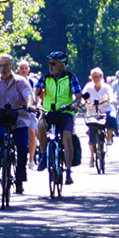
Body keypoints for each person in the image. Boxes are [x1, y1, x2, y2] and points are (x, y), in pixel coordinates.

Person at [0, 54, 34, 194]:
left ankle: (20, 178)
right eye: (0, 65)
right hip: (0, 117)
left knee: (22, 146)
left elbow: (28, 94)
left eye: (5, 65)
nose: (3, 68)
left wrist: (29, 105)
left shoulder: (21, 81)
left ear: (12, 66)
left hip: (19, 118)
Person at [34, 51, 82, 185]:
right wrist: (37, 103)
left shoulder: (71, 77)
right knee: (41, 127)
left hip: (65, 112)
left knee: (67, 137)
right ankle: (43, 156)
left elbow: (78, 94)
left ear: (62, 65)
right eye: (49, 63)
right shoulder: (45, 77)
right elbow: (36, 92)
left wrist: (75, 104)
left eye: (54, 63)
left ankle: (68, 171)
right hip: (49, 111)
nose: (51, 66)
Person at [79, 67, 118, 166]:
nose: (95, 79)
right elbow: (83, 97)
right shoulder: (88, 86)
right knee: (92, 135)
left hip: (105, 109)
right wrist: (83, 102)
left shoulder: (106, 87)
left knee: (112, 117)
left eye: (97, 77)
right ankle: (92, 157)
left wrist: (110, 99)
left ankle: (109, 137)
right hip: (92, 111)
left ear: (102, 77)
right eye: (93, 77)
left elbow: (111, 96)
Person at [16, 59, 41, 168]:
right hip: (17, 111)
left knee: (32, 132)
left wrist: (38, 105)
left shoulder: (33, 82)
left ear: (29, 69)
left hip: (30, 111)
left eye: (26, 68)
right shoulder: (15, 81)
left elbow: (37, 96)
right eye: (22, 68)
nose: (24, 70)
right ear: (18, 69)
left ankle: (31, 159)